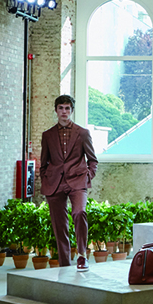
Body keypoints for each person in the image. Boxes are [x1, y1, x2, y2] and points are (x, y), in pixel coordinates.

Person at [40, 95, 98, 271]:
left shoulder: (82, 133)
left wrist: (88, 176)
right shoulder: (47, 135)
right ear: (56, 110)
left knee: (79, 212)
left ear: (71, 111)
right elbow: (43, 162)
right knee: (59, 225)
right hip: (55, 183)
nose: (64, 112)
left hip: (78, 181)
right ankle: (64, 262)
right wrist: (45, 179)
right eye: (61, 108)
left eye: (67, 108)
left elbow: (92, 160)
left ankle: (82, 255)